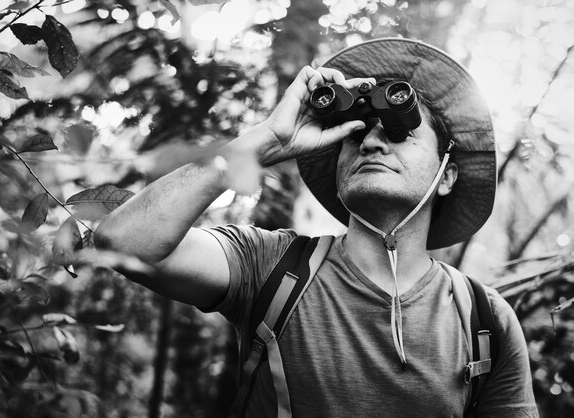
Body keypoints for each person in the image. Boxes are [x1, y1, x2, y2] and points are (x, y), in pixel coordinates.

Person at [94, 38, 539, 417]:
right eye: (355, 132)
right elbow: (122, 241)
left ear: (446, 176)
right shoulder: (270, 266)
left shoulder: (485, 319)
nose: (369, 140)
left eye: (401, 132)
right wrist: (266, 140)